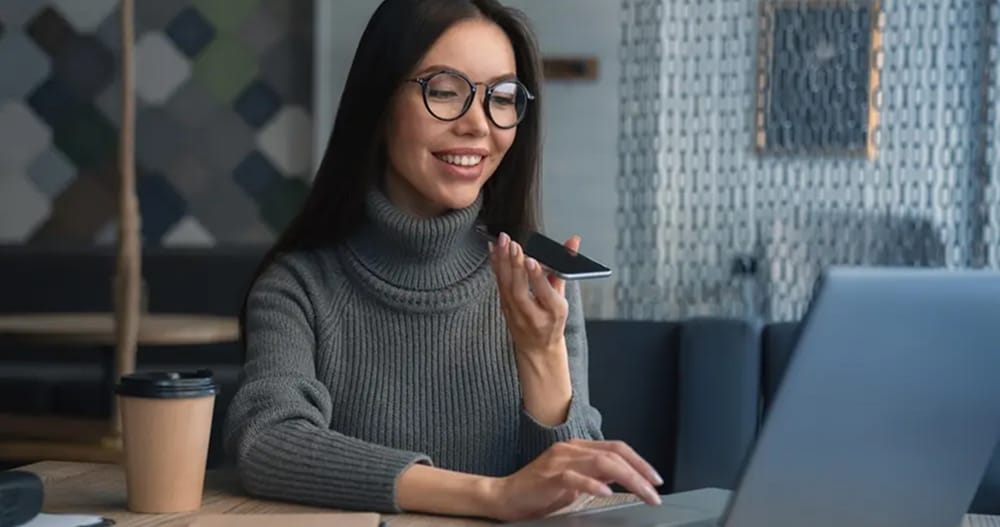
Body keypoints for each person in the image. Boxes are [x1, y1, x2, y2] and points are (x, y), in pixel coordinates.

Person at [224, 0, 662, 521]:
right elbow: (267, 443)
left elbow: (576, 496)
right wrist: (492, 496)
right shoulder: (298, 287)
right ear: (379, 101)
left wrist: (542, 352)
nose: (478, 126)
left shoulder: (539, 281)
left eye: (500, 98)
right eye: (445, 92)